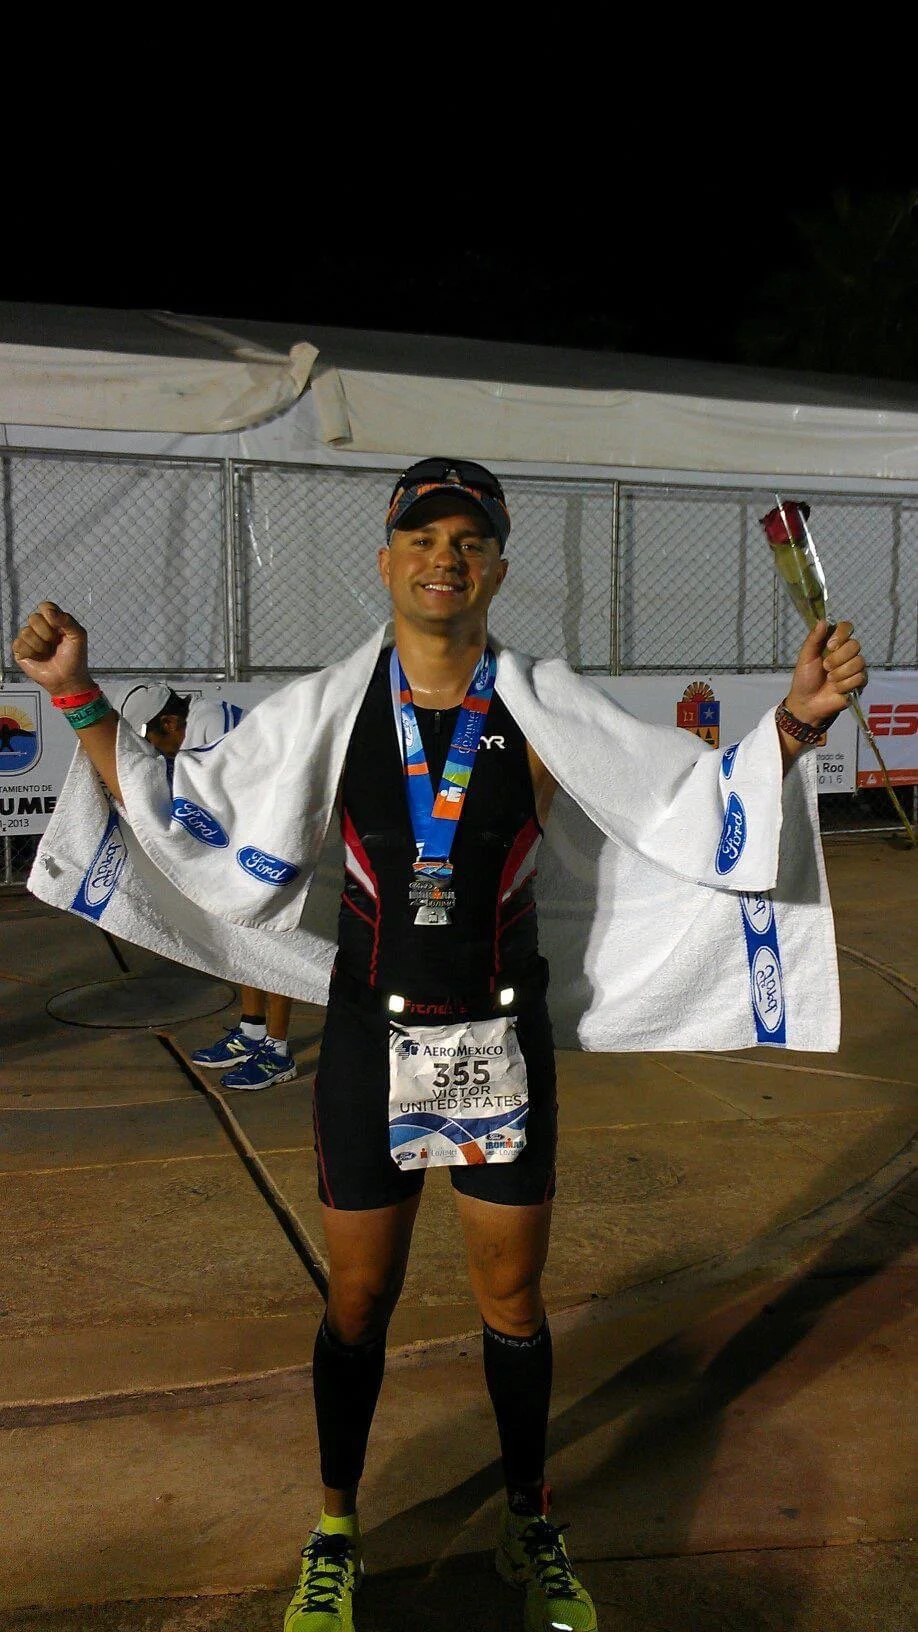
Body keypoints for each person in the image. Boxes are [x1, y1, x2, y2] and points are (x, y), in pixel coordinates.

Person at [13, 457, 867, 1632]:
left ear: (497, 569)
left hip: (502, 1042)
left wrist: (797, 718)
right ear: (387, 560)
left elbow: (686, 804)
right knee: (357, 1303)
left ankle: (529, 1516)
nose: (444, 556)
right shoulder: (328, 708)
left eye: (470, 540)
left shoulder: (544, 704)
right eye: (423, 536)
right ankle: (335, 1528)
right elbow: (185, 811)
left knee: (512, 1302)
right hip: (372, 1043)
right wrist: (75, 696)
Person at [118, 681, 296, 1091]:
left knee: (276, 943)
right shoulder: (194, 723)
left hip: (275, 843)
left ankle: (278, 1050)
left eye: (154, 739)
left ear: (169, 720)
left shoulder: (212, 726)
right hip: (249, 840)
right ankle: (252, 1032)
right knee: (242, 937)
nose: (156, 750)